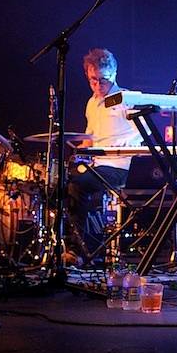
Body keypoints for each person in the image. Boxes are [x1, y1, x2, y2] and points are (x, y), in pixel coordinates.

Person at [65, 48, 143, 265]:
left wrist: (123, 145)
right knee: (59, 183)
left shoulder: (127, 99)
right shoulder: (92, 103)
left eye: (103, 80)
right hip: (97, 165)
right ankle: (67, 245)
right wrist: (75, 149)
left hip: (119, 167)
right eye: (93, 80)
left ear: (115, 73)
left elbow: (144, 132)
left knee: (77, 186)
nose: (98, 85)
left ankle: (79, 251)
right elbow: (90, 138)